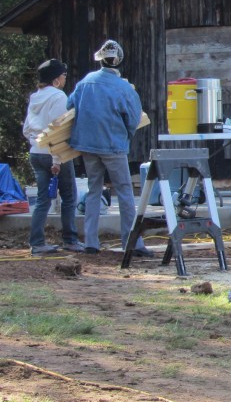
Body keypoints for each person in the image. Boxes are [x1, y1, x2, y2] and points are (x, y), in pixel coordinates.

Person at [67, 40, 150, 257]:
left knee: (94, 190)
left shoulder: (85, 82)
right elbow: (133, 119)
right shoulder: (123, 87)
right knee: (124, 191)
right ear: (119, 62)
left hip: (87, 145)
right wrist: (124, 136)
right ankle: (131, 243)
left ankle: (91, 243)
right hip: (113, 145)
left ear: (101, 60)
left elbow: (70, 107)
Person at [22, 59, 82, 255]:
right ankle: (70, 239)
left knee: (42, 200)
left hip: (36, 152)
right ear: (56, 79)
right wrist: (57, 159)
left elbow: (27, 129)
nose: (65, 78)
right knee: (69, 196)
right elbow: (60, 130)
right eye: (63, 75)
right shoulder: (58, 97)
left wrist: (35, 143)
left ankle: (37, 242)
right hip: (55, 154)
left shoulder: (34, 97)